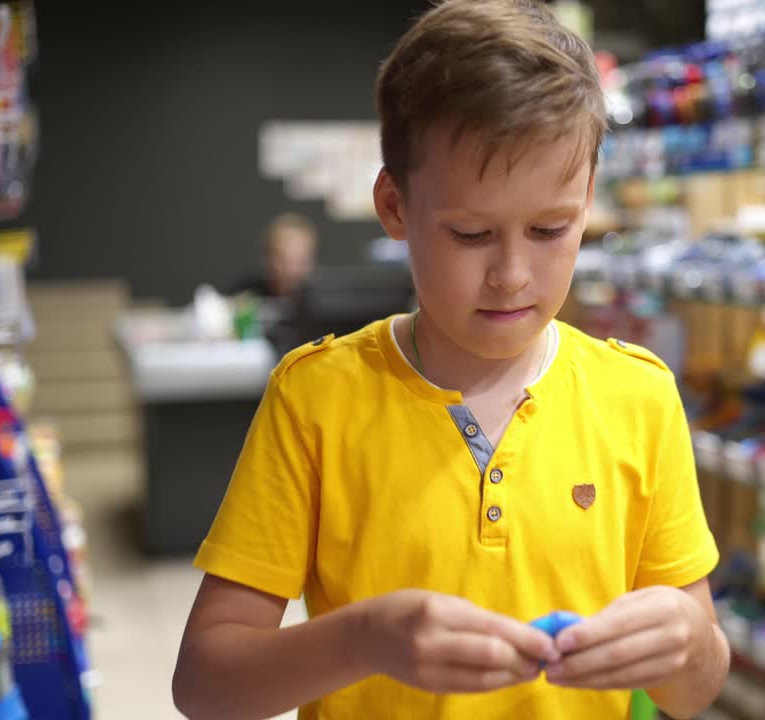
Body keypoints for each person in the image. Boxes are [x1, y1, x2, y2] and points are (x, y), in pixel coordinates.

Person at [172, 2, 728, 719]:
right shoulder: (317, 398)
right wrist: (363, 639)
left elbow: (694, 692)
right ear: (395, 205)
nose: (512, 274)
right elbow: (206, 685)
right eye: (470, 233)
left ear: (588, 204)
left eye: (549, 229)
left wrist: (690, 642)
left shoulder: (638, 397)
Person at [235, 212, 319, 300]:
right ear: (267, 257)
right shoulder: (246, 295)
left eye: (301, 262)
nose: (291, 270)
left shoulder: (319, 301)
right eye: (283, 261)